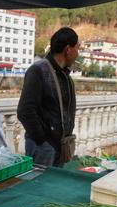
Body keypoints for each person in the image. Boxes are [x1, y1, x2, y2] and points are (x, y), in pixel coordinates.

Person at [17, 27, 79, 166]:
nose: (77, 53)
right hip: (43, 149)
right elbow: (25, 111)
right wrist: (42, 141)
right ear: (68, 49)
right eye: (77, 48)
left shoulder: (66, 77)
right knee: (39, 187)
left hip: (61, 148)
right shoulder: (38, 70)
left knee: (55, 186)